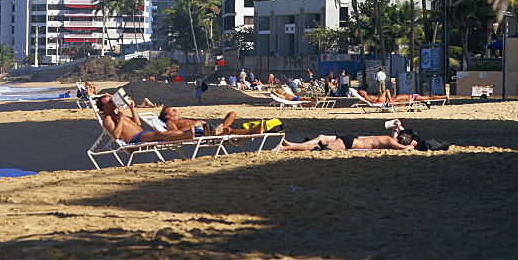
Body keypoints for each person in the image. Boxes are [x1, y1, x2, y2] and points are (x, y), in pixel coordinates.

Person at [95, 94, 196, 145]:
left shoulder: (118, 114)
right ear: (104, 107)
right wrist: (121, 117)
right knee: (159, 134)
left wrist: (132, 108)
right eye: (110, 101)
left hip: (143, 134)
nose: (113, 102)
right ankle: (186, 135)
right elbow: (116, 135)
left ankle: (188, 133)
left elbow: (138, 123)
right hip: (135, 139)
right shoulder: (108, 119)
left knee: (160, 134)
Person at [276, 120, 417, 152]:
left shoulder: (388, 138)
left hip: (350, 139)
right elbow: (403, 148)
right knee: (317, 146)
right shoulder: (389, 141)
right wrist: (411, 146)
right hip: (349, 143)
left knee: (320, 140)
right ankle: (286, 148)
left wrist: (398, 127)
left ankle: (291, 144)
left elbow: (397, 136)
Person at [158, 106, 266, 136]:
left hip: (207, 128)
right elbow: (175, 133)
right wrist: (194, 125)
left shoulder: (181, 119)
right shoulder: (169, 123)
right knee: (228, 130)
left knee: (232, 114)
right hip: (200, 132)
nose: (175, 110)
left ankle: (221, 128)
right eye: (172, 110)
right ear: (167, 116)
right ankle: (253, 131)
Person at [355, 89, 450, 106]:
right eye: (361, 92)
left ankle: (444, 96)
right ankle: (444, 96)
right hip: (410, 98)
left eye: (362, 90)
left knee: (428, 98)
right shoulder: (367, 97)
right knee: (428, 98)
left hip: (411, 97)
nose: (363, 92)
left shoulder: (394, 99)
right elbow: (374, 102)